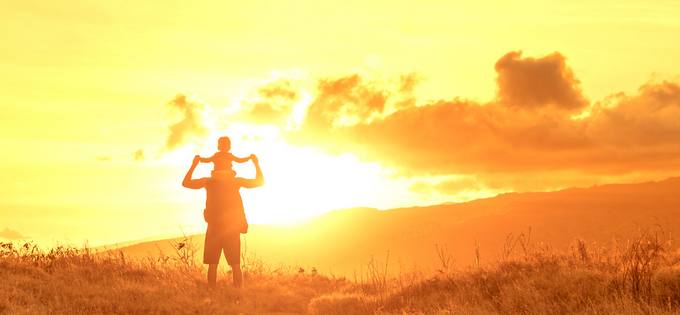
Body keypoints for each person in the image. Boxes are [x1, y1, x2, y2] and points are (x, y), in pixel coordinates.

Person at [182, 154, 264, 288]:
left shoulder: (208, 181)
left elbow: (186, 183)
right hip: (232, 227)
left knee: (212, 264)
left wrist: (194, 164)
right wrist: (255, 163)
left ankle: (212, 293)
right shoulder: (236, 181)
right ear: (231, 166)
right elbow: (259, 182)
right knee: (236, 264)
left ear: (214, 166)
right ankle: (238, 292)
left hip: (214, 227)